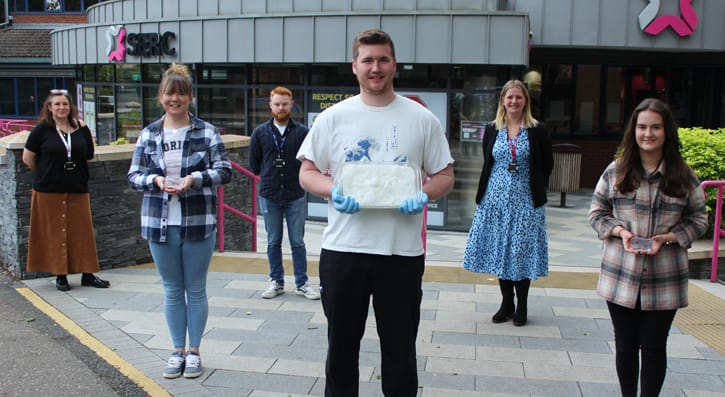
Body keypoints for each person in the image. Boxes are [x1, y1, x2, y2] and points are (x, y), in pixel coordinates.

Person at [296, 28, 455, 397]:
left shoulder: (421, 119)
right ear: (354, 66)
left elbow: (445, 175)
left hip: (400, 254)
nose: (376, 67)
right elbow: (306, 172)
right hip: (343, 251)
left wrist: (424, 193)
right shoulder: (333, 118)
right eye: (367, 60)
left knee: (400, 353)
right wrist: (332, 191)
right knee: (341, 352)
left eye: (383, 59)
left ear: (394, 64)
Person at [588, 98, 707, 397]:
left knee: (654, 346)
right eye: (642, 127)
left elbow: (698, 220)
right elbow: (597, 213)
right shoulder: (616, 171)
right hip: (620, 273)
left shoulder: (683, 175)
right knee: (626, 345)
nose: (648, 134)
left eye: (656, 127)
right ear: (633, 131)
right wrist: (620, 232)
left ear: (667, 131)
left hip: (665, 276)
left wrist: (667, 238)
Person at [127, 63, 232, 379]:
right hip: (159, 222)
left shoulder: (207, 131)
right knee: (172, 289)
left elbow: (224, 170)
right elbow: (133, 175)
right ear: (161, 97)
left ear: (190, 97)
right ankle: (176, 351)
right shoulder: (149, 133)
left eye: (181, 93)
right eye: (169, 93)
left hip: (198, 220)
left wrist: (194, 179)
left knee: (196, 289)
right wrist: (155, 181)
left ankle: (195, 352)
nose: (175, 99)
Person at [462, 79, 553, 326]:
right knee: (500, 251)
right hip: (495, 202)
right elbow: (488, 160)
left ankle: (522, 304)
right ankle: (506, 303)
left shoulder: (537, 129)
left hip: (526, 203)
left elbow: (547, 164)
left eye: (518, 97)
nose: (513, 101)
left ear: (526, 101)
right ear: (502, 100)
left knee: (520, 252)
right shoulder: (493, 128)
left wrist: (534, 189)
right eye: (509, 97)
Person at [22, 89, 110, 291]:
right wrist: (47, 172)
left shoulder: (81, 128)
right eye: (57, 104)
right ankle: (60, 275)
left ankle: (87, 274)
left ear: (70, 107)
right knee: (54, 234)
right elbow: (28, 158)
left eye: (65, 104)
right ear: (50, 108)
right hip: (48, 191)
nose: (61, 107)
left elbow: (87, 155)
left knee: (81, 234)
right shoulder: (41, 130)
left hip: (77, 188)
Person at [249, 86, 319, 300]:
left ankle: (302, 283)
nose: (281, 107)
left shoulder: (303, 132)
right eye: (277, 104)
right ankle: (276, 281)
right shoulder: (260, 132)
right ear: (270, 105)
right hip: (269, 194)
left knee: (297, 241)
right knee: (273, 241)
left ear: (291, 104)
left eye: (285, 104)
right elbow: (254, 164)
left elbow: (310, 160)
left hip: (295, 194)